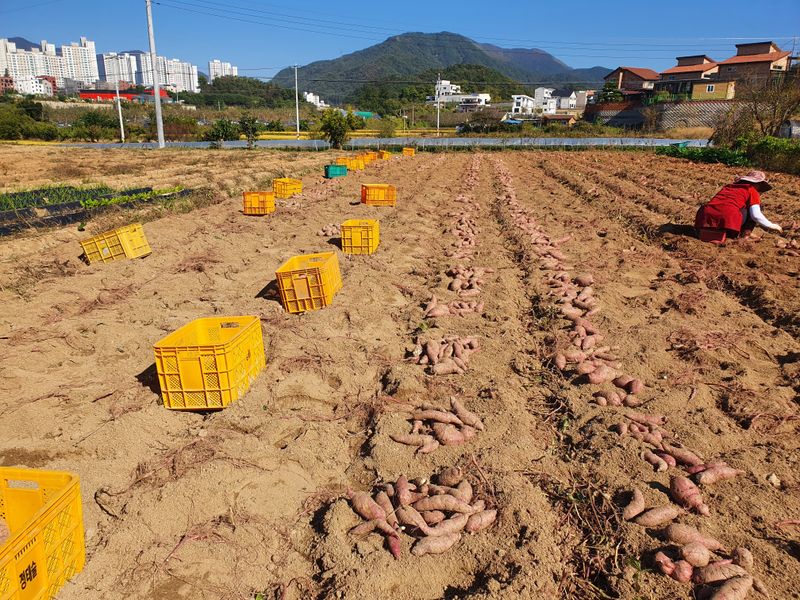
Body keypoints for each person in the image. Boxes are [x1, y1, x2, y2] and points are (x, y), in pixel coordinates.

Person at [695, 170, 782, 239]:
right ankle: (744, 236)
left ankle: (708, 231)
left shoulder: (728, 187)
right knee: (753, 210)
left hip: (704, 217)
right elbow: (756, 215)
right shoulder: (752, 190)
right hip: (727, 218)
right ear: (757, 184)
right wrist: (771, 225)